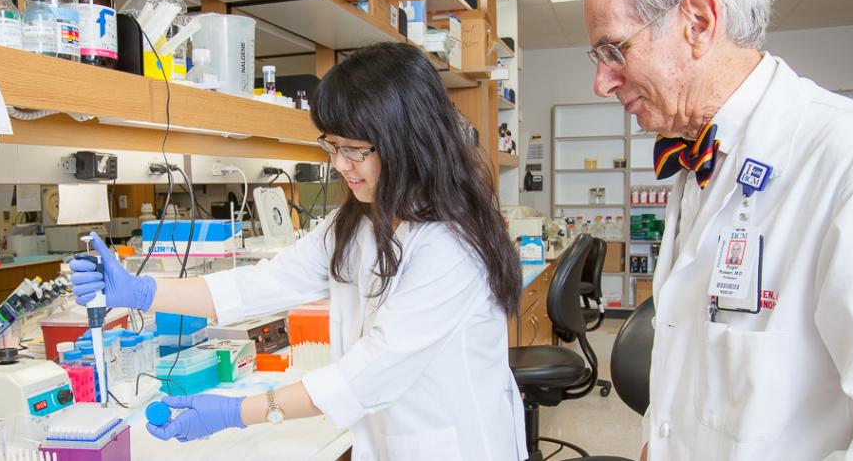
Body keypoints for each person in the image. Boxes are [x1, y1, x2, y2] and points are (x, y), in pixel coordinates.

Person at [70, 42, 527, 460]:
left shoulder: (451, 245)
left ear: (408, 141)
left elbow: (370, 374)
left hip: (460, 445)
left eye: (354, 149)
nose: (338, 163)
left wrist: (238, 411)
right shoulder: (356, 223)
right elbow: (265, 282)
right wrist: (144, 291)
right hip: (391, 440)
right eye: (330, 145)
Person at [582, 0, 853, 460]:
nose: (602, 82)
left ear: (697, 22)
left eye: (613, 49)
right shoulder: (698, 159)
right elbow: (688, 348)